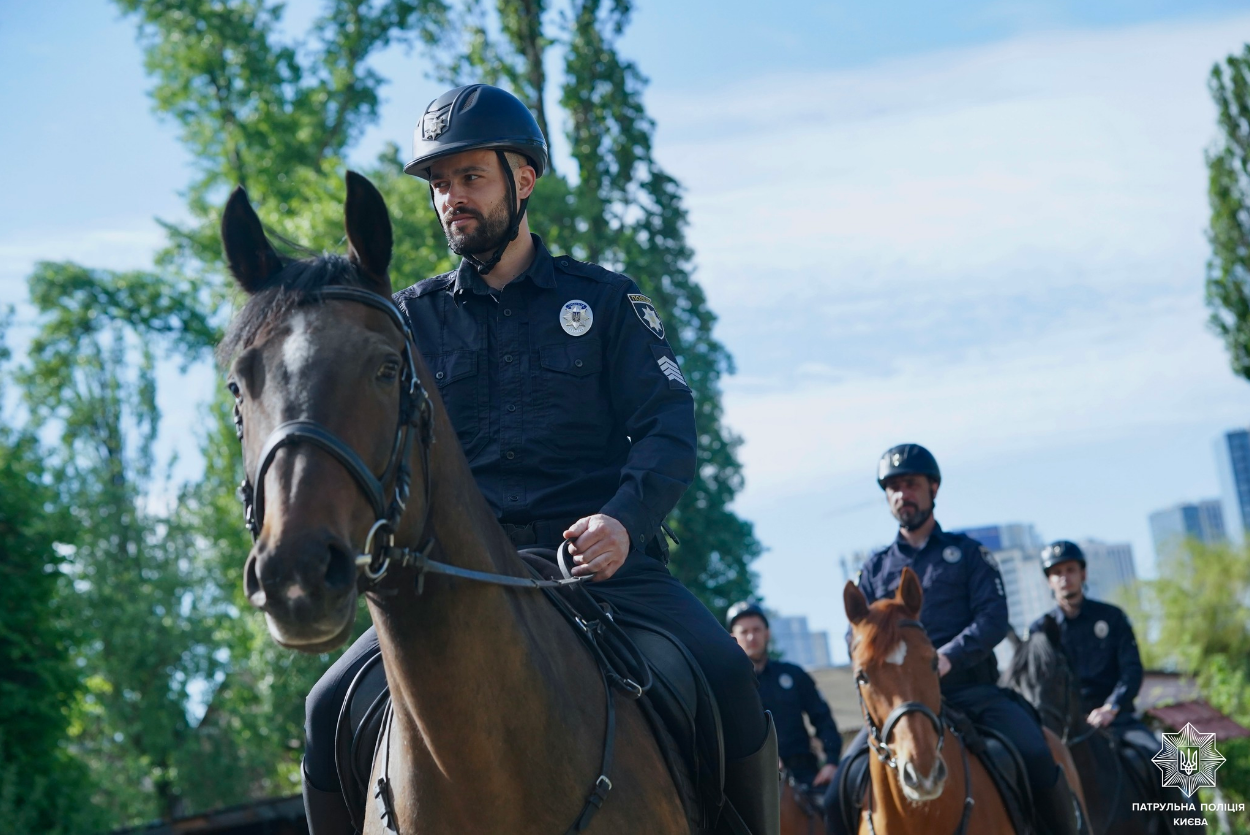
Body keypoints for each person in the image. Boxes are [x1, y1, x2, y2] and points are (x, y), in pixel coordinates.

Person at [300, 84, 778, 835]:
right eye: (439, 184)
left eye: (470, 177)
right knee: (324, 706)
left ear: (523, 180)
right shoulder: (409, 323)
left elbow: (668, 428)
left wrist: (623, 523)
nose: (452, 199)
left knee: (725, 673)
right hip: (455, 580)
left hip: (601, 572)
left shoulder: (607, 302)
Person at [824, 444, 1082, 835]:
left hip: (971, 692)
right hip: (899, 704)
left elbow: (993, 618)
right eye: (893, 487)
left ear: (933, 488)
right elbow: (855, 635)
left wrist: (948, 658)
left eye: (911, 484)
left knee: (1036, 756)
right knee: (835, 796)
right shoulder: (874, 568)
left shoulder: (968, 554)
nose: (902, 494)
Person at [1032, 541, 1155, 755]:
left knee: (1170, 762)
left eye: (1070, 570)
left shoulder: (1112, 617)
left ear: (1083, 574)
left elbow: (1132, 670)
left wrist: (1111, 708)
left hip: (1117, 719)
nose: (1064, 577)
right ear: (1049, 581)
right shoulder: (1039, 630)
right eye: (1057, 572)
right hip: (1066, 728)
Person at [728, 602, 842, 791]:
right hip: (754, 782)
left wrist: (831, 761)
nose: (751, 637)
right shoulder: (728, 686)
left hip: (806, 776)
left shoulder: (794, 674)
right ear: (733, 637)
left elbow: (823, 718)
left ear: (767, 633)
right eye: (744, 631)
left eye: (756, 629)